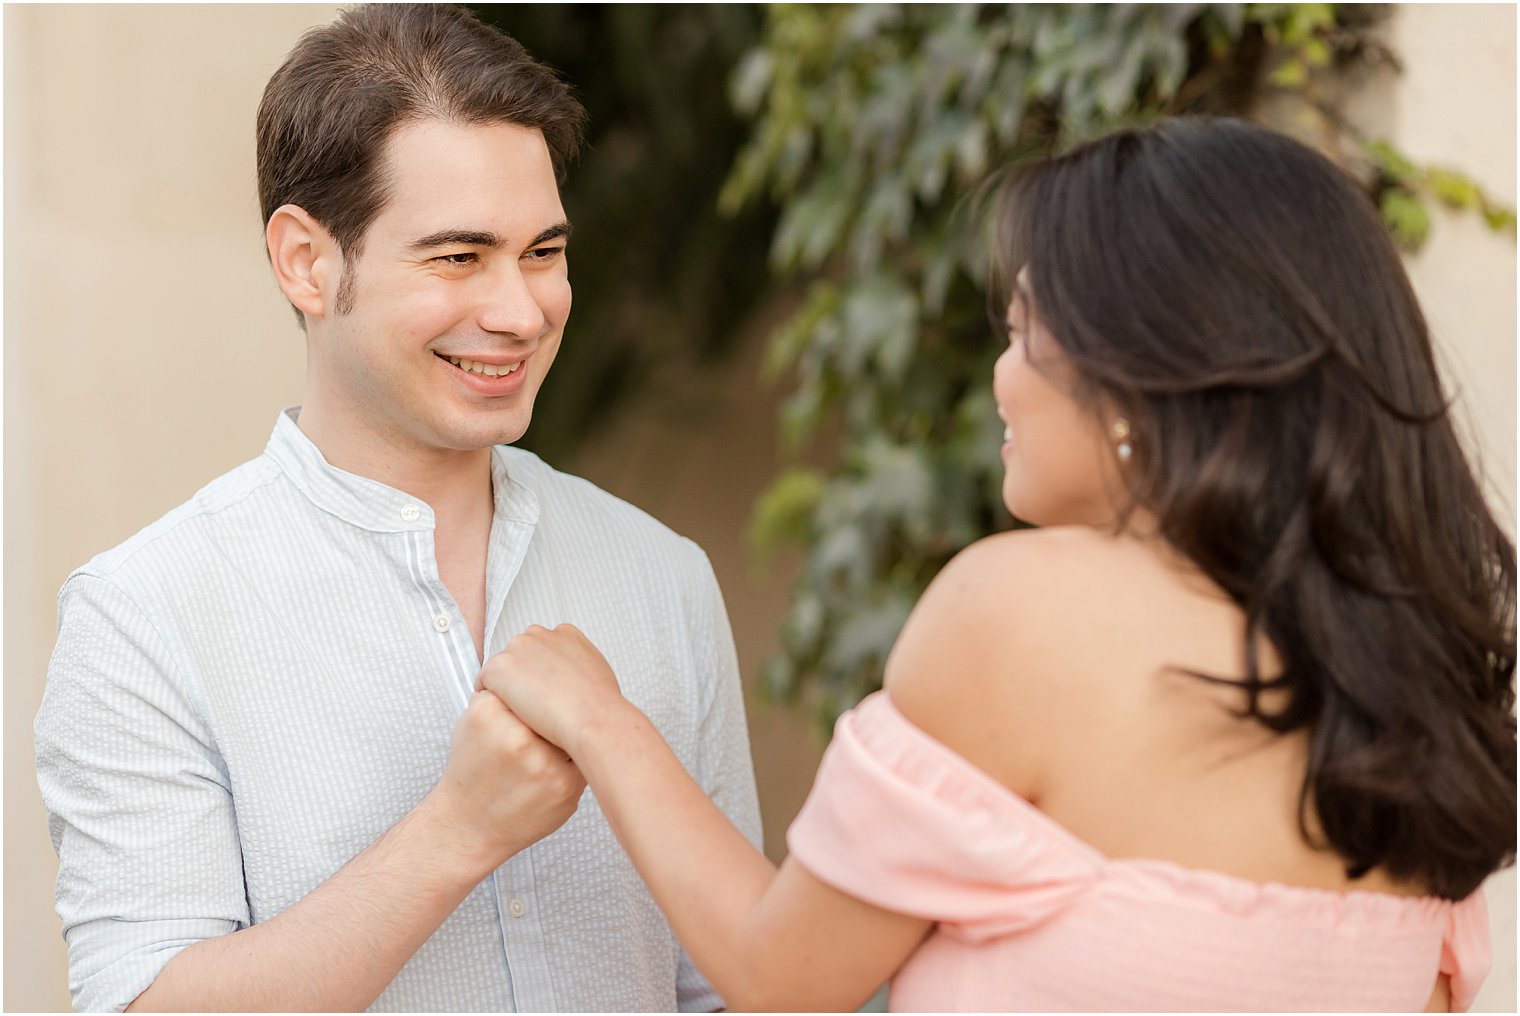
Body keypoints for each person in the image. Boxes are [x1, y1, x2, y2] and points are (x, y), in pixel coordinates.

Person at [478, 117, 1517, 1012]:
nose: (999, 376)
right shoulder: (1415, 697)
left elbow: (777, 972)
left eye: (1022, 329)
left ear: (1139, 367)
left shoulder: (1024, 608)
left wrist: (603, 721)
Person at [33, 5, 759, 1012]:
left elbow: (726, 987)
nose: (519, 309)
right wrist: (457, 830)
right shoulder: (144, 615)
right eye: (459, 256)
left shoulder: (660, 574)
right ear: (305, 260)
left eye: (542, 251)